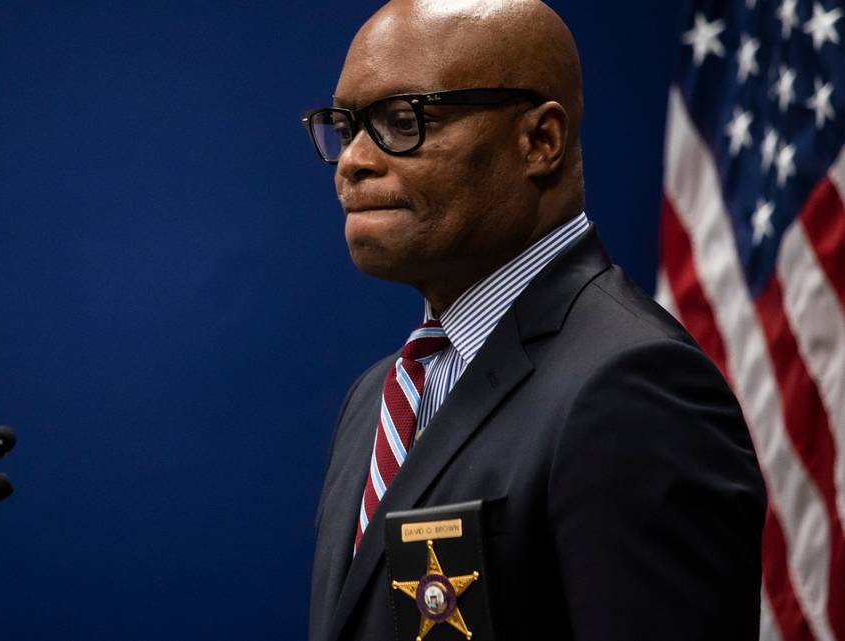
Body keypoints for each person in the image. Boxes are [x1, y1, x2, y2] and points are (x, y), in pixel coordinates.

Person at [301, 2, 766, 640]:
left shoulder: (632, 386)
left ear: (540, 141)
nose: (353, 160)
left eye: (402, 119)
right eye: (345, 125)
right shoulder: (376, 399)